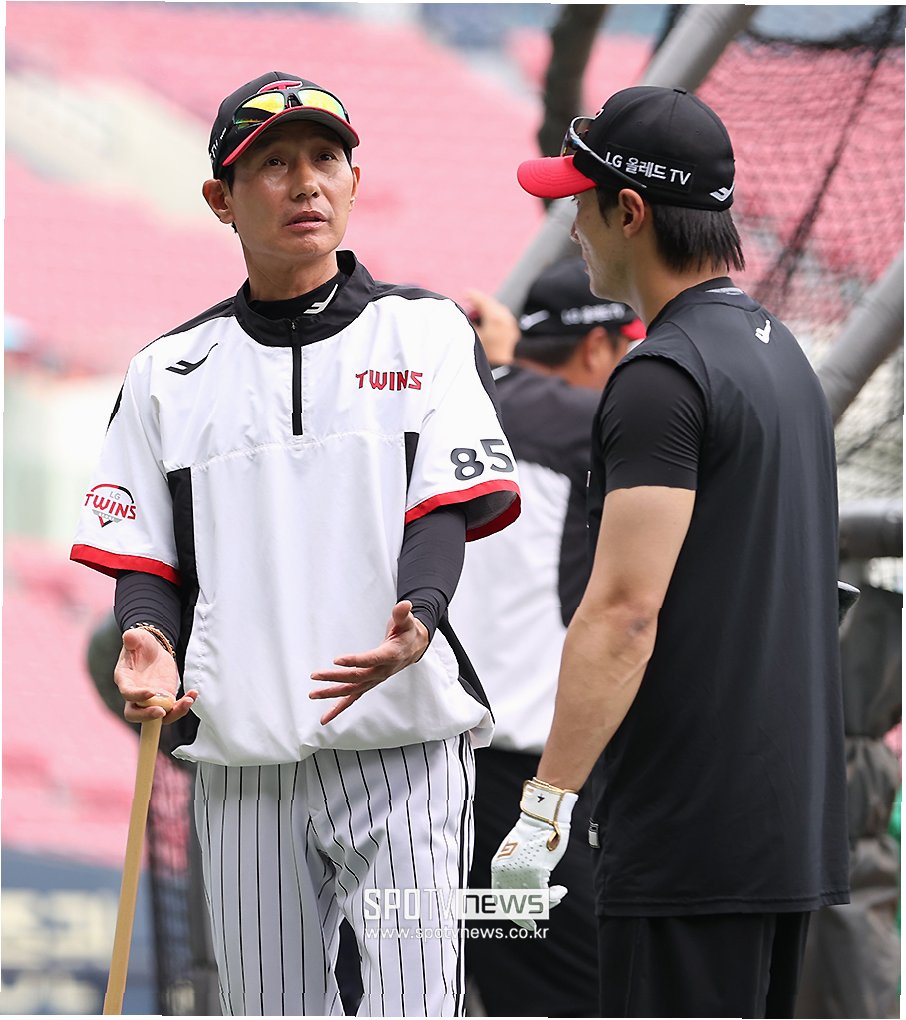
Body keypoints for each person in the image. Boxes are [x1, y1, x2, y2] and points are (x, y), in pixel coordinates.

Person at [71, 70, 520, 1018]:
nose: (306, 181)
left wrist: (422, 615)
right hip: (243, 756)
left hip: (403, 745)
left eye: (325, 157)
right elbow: (145, 560)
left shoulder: (428, 331)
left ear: (356, 181)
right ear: (221, 199)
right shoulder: (165, 373)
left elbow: (440, 509)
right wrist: (146, 633)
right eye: (272, 164)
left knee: (413, 1008)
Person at [490, 85, 849, 1019]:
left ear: (630, 211)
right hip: (785, 828)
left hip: (691, 835)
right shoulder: (782, 355)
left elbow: (623, 612)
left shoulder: (662, 371)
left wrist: (544, 807)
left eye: (579, 201)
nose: (572, 226)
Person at [453, 258, 643, 1017]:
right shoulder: (592, 428)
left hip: (414, 783)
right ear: (597, 346)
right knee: (576, 999)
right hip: (533, 797)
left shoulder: (446, 409)